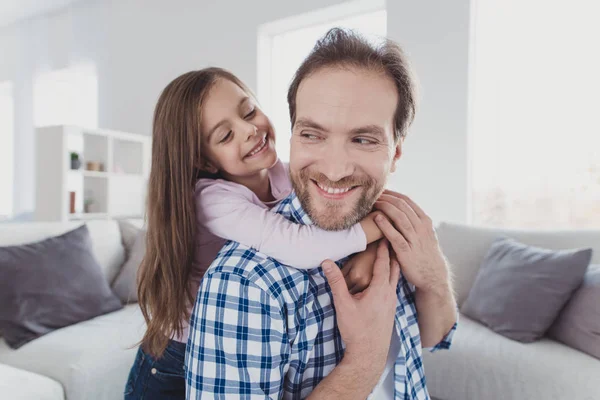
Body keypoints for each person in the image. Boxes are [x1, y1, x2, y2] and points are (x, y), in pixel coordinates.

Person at [185, 28, 458, 399]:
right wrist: (365, 358)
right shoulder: (243, 283)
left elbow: (434, 336)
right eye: (313, 135)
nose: (333, 170)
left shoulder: (399, 224)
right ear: (294, 134)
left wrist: (435, 280)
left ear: (395, 153)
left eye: (363, 139)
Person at [125, 65, 386, 399]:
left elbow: (349, 207)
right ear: (205, 162)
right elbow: (301, 246)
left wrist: (369, 250)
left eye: (248, 111)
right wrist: (379, 226)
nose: (249, 130)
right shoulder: (213, 200)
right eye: (225, 135)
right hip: (175, 355)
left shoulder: (284, 173)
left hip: (229, 342)